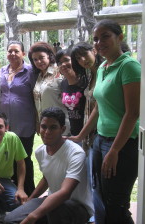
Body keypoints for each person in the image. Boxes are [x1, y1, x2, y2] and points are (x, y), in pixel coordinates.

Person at [70, 19, 141, 224]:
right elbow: (99, 107)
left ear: (120, 37)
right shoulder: (103, 67)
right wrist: (82, 135)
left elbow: (132, 113)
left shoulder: (129, 66)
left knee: (116, 204)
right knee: (100, 197)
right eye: (95, 39)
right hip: (100, 140)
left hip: (122, 144)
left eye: (105, 36)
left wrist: (115, 150)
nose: (99, 42)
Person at [4, 107, 94, 224]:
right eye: (44, 127)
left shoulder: (76, 153)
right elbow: (47, 179)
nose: (47, 132)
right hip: (52, 202)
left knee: (52, 212)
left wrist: (33, 216)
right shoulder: (40, 151)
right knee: (10, 220)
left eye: (53, 127)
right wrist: (31, 200)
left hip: (77, 206)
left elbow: (65, 193)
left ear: (62, 129)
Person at [70, 41, 104, 224]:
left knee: (97, 180)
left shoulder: (103, 72)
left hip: (99, 133)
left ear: (94, 50)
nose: (83, 60)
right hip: (91, 135)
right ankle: (96, 214)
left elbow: (97, 110)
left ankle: (99, 216)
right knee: (93, 178)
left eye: (85, 54)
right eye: (78, 58)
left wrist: (81, 135)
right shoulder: (92, 74)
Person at [0, 40, 37, 196]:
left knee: (24, 159)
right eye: (10, 51)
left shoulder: (31, 72)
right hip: (5, 126)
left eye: (16, 51)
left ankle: (30, 192)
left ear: (23, 53)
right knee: (9, 160)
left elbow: (38, 95)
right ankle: (14, 193)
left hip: (25, 124)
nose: (12, 54)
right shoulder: (1, 71)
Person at [28, 41, 70, 135]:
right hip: (46, 127)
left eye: (41, 57)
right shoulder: (39, 76)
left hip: (62, 126)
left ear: (49, 56)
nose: (38, 61)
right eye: (35, 59)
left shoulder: (60, 72)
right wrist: (38, 122)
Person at [56, 49, 87, 137]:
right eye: (59, 63)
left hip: (89, 133)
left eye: (66, 60)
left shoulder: (86, 81)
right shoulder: (63, 84)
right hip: (73, 133)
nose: (63, 65)